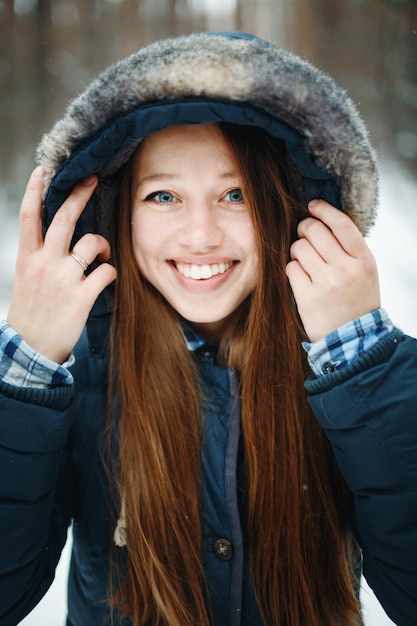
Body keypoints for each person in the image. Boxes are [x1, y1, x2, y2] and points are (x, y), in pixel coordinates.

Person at [0, 31, 416, 626]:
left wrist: (365, 366)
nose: (200, 235)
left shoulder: (350, 372)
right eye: (164, 195)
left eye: (235, 193)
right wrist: (27, 366)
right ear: (117, 211)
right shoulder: (79, 368)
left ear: (289, 206)